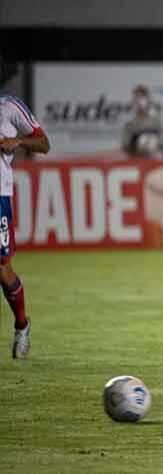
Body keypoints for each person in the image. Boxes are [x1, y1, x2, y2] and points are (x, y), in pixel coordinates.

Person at [0, 94, 50, 358]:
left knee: (3, 270)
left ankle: (21, 326)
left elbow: (44, 143)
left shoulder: (10, 107)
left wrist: (18, 140)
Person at [121, 85, 163, 158]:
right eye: (136, 98)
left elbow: (161, 145)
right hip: (136, 161)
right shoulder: (129, 125)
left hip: (153, 161)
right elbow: (125, 146)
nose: (139, 102)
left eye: (142, 98)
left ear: (148, 100)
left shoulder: (156, 123)